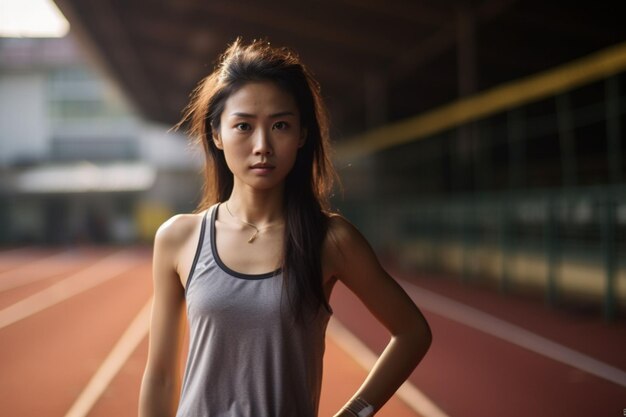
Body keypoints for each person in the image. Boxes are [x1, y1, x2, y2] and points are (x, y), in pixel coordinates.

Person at [138, 38, 432, 417]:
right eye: (243, 125)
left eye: (280, 125)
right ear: (216, 134)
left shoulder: (331, 240)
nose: (262, 145)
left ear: (302, 135)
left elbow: (412, 333)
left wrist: (355, 412)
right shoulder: (179, 238)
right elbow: (160, 376)